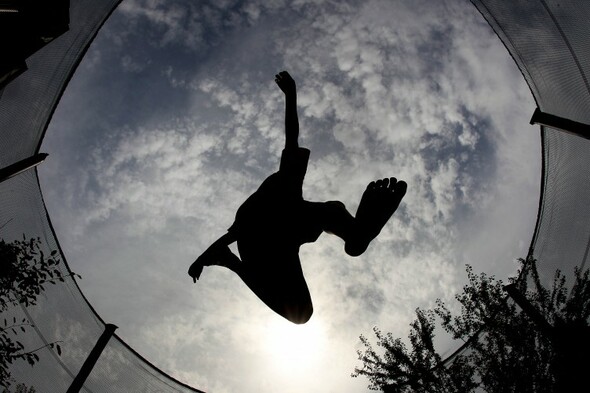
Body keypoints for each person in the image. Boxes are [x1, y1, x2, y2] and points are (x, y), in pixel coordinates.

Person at [189, 71, 407, 324]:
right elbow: (236, 234)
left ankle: (357, 235)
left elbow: (292, 137)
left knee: (333, 210)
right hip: (260, 249)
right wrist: (209, 257)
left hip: (287, 240)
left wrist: (291, 94)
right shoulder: (268, 201)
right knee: (302, 315)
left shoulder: (289, 185)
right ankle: (233, 264)